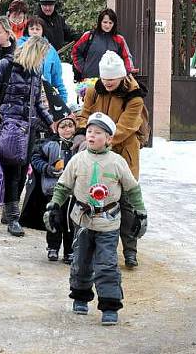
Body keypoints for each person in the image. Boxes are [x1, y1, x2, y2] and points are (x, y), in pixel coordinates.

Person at [45, 112, 147, 326]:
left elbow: (132, 189)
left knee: (106, 264)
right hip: (82, 221)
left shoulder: (117, 162)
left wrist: (140, 212)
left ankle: (110, 305)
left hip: (108, 222)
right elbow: (63, 186)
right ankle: (80, 297)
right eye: (89, 131)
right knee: (80, 261)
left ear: (109, 138)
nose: (91, 136)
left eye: (98, 133)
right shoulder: (78, 160)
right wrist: (54, 206)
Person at [76, 50, 148, 268]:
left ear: (121, 76)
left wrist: (102, 142)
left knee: (125, 200)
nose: (107, 83)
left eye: (112, 79)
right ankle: (94, 247)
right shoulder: (92, 90)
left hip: (124, 151)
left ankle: (130, 249)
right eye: (104, 79)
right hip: (96, 150)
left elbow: (126, 126)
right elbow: (85, 113)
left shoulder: (133, 96)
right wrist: (81, 134)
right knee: (93, 197)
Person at [0, 36, 55, 237]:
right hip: (8, 127)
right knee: (12, 172)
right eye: (42, 56)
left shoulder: (35, 71)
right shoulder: (4, 66)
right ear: (35, 53)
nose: (43, 60)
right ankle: (13, 217)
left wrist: (51, 122)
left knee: (23, 171)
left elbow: (38, 103)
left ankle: (9, 212)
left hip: (28, 128)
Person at [21, 113, 78, 262]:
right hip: (52, 188)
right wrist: (47, 168)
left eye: (70, 126)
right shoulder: (49, 144)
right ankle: (53, 247)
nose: (67, 130)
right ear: (56, 128)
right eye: (63, 126)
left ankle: (69, 251)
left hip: (72, 191)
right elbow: (35, 158)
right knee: (54, 218)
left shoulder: (78, 146)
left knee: (70, 221)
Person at [17, 17, 68, 111]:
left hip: (44, 95)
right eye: (32, 29)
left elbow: (57, 77)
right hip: (23, 94)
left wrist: (63, 100)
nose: (34, 32)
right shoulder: (18, 46)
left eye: (38, 29)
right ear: (27, 30)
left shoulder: (50, 50)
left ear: (43, 31)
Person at [71, 8, 134, 80]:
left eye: (110, 23)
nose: (107, 25)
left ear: (114, 24)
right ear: (100, 22)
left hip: (112, 82)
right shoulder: (89, 36)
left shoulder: (119, 39)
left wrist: (125, 72)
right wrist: (83, 68)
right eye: (105, 22)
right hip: (90, 80)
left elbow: (127, 57)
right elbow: (75, 52)